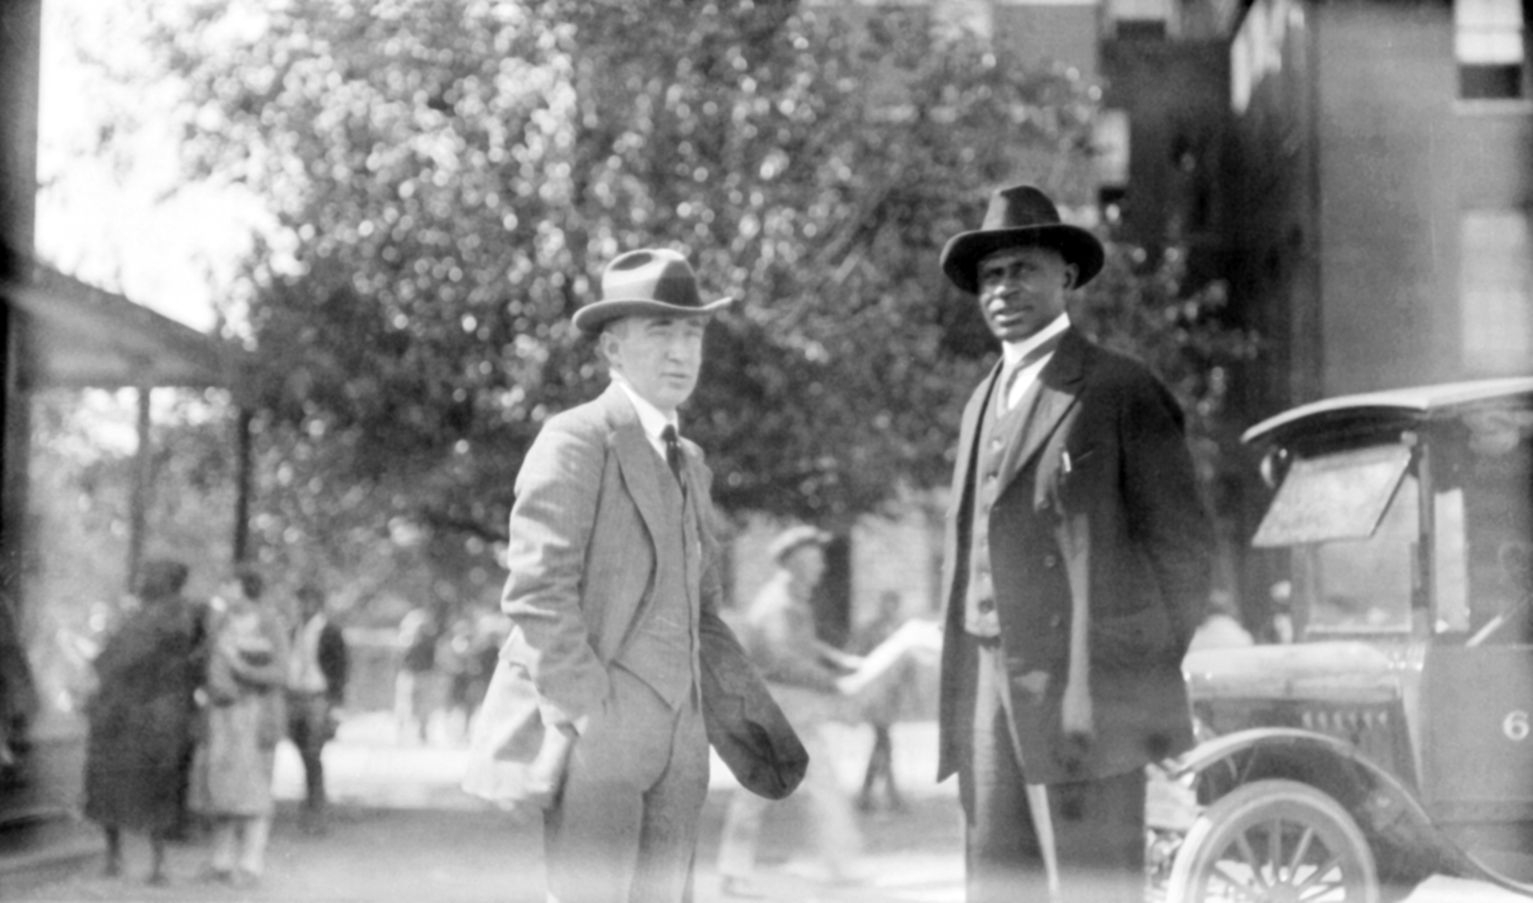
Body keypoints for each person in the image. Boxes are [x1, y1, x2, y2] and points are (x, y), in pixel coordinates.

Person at [473, 248, 797, 903]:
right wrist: (591, 715)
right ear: (612, 349)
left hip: (682, 746)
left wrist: (746, 721)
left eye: (693, 334)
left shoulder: (691, 461)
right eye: (660, 332)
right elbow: (537, 594)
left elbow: (702, 613)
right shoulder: (575, 438)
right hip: (596, 735)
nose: (680, 353)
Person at [934, 183, 1214, 903]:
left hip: (1084, 694)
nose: (1003, 288)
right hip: (984, 691)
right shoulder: (979, 401)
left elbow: (1183, 550)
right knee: (998, 884)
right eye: (990, 276)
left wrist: (1124, 675)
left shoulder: (1118, 389)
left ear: (1065, 275)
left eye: (1022, 269)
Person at [717, 527, 940, 897]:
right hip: (778, 713)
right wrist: (833, 682)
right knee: (763, 793)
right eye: (814, 559)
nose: (821, 566)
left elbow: (806, 644)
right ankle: (739, 870)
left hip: (790, 713)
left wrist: (841, 661)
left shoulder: (790, 599)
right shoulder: (779, 604)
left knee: (818, 787)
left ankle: (834, 865)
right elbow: (783, 660)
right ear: (795, 563)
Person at [82, 559, 203, 884]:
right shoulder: (145, 613)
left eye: (148, 576)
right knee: (110, 781)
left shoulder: (174, 614)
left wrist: (105, 658)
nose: (141, 581)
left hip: (153, 713)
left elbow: (127, 655)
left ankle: (156, 863)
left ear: (166, 581)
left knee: (155, 785)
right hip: (125, 711)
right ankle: (116, 857)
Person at [189, 565, 290, 888]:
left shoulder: (270, 622)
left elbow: (280, 672)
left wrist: (241, 667)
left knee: (253, 789)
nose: (224, 590)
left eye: (229, 584)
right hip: (221, 717)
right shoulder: (219, 622)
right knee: (219, 789)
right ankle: (220, 860)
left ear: (245, 587)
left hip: (254, 715)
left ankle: (251, 862)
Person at [285, 582, 349, 834]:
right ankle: (309, 806)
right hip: (294, 696)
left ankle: (316, 809)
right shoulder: (293, 631)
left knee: (313, 752)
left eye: (308, 602)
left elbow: (341, 670)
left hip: (318, 697)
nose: (304, 607)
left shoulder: (330, 632)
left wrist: (336, 705)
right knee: (301, 751)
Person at [393, 605, 440, 744]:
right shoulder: (406, 639)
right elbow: (400, 659)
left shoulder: (429, 639)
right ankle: (402, 732)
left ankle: (422, 731)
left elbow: (433, 659)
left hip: (425, 675)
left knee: (424, 706)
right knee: (405, 704)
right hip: (409, 675)